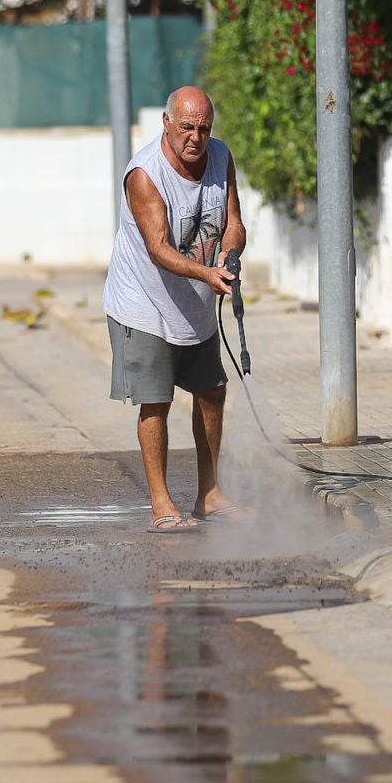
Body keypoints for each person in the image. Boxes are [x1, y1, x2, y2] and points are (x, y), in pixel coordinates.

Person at [102, 86, 251, 533]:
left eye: (203, 128)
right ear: (166, 123)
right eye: (186, 126)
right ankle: (162, 503)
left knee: (212, 392)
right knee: (156, 402)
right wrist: (207, 275)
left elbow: (235, 222)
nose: (195, 137)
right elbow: (158, 249)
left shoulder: (221, 158)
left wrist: (228, 253)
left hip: (197, 304)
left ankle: (210, 493)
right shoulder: (145, 175)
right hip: (143, 303)